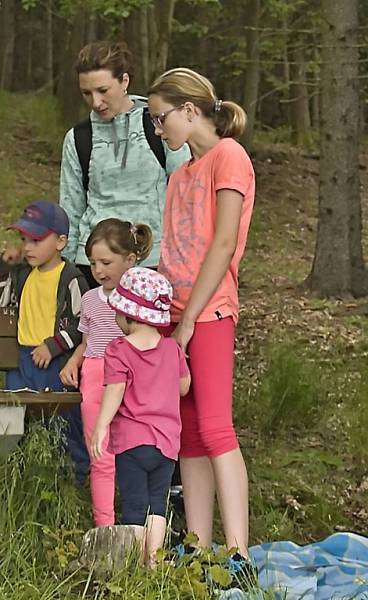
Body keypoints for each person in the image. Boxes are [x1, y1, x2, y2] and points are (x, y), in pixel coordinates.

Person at [147, 67, 255, 564]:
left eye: (161, 118)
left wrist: (190, 318)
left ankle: (237, 554)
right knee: (186, 432)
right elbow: (174, 254)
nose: (158, 129)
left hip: (209, 312)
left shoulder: (228, 157)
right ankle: (198, 548)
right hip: (173, 313)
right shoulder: (178, 176)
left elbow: (224, 242)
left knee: (214, 427)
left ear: (190, 110)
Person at [59, 40, 190, 287]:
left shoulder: (159, 125)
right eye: (87, 93)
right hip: (93, 267)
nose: (96, 102)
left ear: (125, 81)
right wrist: (66, 273)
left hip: (153, 262)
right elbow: (71, 208)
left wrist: (185, 257)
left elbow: (186, 195)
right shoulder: (78, 138)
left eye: (103, 90)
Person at [90, 267, 190, 565]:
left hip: (133, 443)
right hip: (168, 445)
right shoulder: (172, 348)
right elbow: (184, 388)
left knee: (134, 503)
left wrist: (101, 426)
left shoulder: (119, 350)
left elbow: (115, 390)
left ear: (128, 316)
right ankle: (154, 562)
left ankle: (132, 564)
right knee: (157, 505)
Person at [59, 218, 152, 527]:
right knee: (100, 455)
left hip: (129, 381)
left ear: (130, 260)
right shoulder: (89, 299)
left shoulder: (139, 303)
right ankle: (105, 527)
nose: (98, 270)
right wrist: (74, 362)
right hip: (95, 379)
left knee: (132, 453)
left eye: (106, 262)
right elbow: (88, 341)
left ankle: (137, 524)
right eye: (93, 262)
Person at [0, 201, 89, 483]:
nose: (28, 247)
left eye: (36, 240)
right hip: (22, 361)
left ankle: (73, 481)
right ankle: (18, 479)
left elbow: (82, 322)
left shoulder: (71, 279)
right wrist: (0, 268)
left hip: (55, 361)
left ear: (60, 241)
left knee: (62, 423)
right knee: (15, 423)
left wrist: (54, 345)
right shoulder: (21, 274)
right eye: (24, 240)